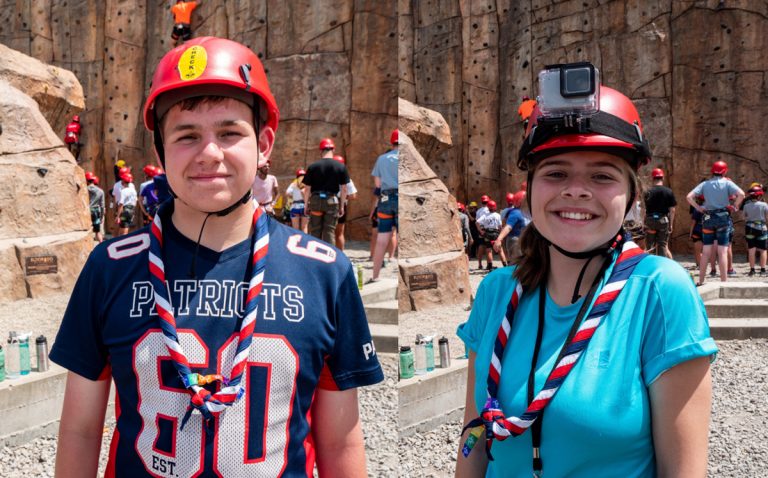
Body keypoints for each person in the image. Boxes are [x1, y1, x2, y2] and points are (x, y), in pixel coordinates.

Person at [50, 37, 383, 478]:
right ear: (160, 151)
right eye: (187, 136)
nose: (209, 153)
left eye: (229, 133)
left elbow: (340, 442)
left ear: (264, 144)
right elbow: (79, 431)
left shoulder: (324, 272)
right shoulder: (109, 267)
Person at [456, 74, 716, 478]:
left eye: (602, 175)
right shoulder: (496, 291)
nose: (576, 190)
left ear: (631, 196)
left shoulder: (659, 291)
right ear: (530, 189)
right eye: (556, 173)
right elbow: (474, 437)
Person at [686, 160, 744, 285]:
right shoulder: (727, 183)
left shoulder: (705, 184)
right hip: (723, 218)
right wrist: (734, 206)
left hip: (708, 218)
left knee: (706, 251)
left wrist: (698, 208)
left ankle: (701, 280)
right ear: (725, 171)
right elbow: (742, 194)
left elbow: (689, 197)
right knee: (722, 252)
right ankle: (724, 283)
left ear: (712, 171)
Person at [303, 138, 349, 244]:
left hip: (315, 200)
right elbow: (344, 189)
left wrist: (306, 205)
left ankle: (314, 253)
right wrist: (342, 206)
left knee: (315, 230)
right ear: (333, 150)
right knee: (329, 231)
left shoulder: (312, 167)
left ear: (321, 151)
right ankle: (329, 254)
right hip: (331, 201)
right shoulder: (340, 166)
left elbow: (307, 189)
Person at [370, 130, 399, 282]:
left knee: (382, 240)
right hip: (403, 198)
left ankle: (375, 276)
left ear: (392, 142)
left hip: (385, 199)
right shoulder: (408, 158)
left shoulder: (381, 159)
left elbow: (377, 184)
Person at [643, 168, 677, 258]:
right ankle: (661, 264)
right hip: (663, 221)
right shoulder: (668, 191)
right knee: (662, 245)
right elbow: (672, 210)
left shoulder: (647, 191)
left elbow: (644, 209)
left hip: (650, 220)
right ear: (663, 178)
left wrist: (643, 221)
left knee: (650, 245)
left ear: (652, 178)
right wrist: (671, 224)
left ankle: (650, 264)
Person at [331, 155, 358, 250]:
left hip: (330, 204)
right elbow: (353, 195)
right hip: (340, 205)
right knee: (339, 233)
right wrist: (342, 196)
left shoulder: (326, 177)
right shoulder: (347, 179)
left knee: (328, 232)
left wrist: (339, 196)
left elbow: (353, 195)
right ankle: (340, 255)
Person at [494, 192, 529, 262]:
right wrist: (499, 239)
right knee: (517, 263)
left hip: (525, 241)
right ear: (520, 202)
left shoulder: (526, 212)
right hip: (516, 241)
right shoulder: (515, 213)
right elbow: (508, 227)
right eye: (526, 200)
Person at [743, 185, 768, 276]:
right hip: (762, 228)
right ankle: (763, 270)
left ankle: (752, 270)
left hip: (749, 229)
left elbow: (744, 218)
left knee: (751, 249)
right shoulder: (764, 205)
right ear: (759, 196)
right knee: (763, 250)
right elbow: (767, 217)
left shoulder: (746, 206)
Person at [476, 200, 505, 270]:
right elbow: (500, 226)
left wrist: (481, 231)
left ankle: (490, 266)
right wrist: (501, 235)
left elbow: (477, 222)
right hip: (495, 233)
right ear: (495, 207)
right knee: (500, 250)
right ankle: (505, 265)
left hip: (487, 233)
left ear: (488, 208)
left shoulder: (485, 215)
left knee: (489, 250)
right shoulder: (497, 215)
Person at [115, 171, 137, 236]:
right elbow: (135, 201)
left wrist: (118, 216)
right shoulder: (133, 191)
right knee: (123, 227)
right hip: (131, 210)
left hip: (125, 211)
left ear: (123, 181)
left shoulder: (124, 191)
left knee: (124, 228)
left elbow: (121, 204)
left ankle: (124, 241)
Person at [286, 168, 308, 232]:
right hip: (304, 206)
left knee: (295, 229)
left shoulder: (293, 184)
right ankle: (304, 239)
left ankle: (297, 239)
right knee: (304, 227)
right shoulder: (307, 184)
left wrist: (293, 196)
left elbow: (287, 193)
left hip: (295, 206)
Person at [85, 171, 105, 243]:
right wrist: (102, 216)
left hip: (87, 211)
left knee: (87, 231)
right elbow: (102, 205)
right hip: (96, 212)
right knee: (97, 231)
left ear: (86, 180)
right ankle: (101, 245)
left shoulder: (85, 190)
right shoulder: (100, 191)